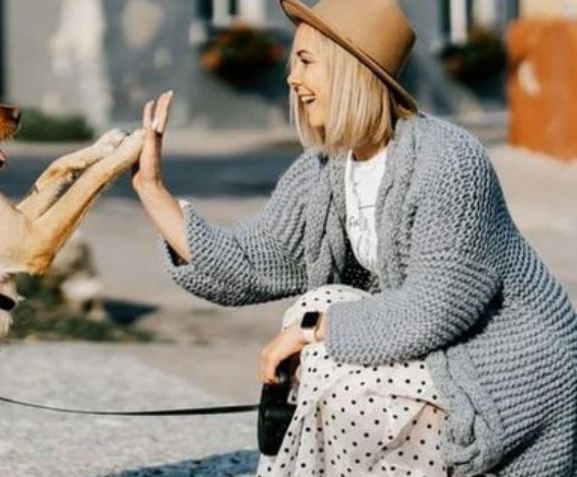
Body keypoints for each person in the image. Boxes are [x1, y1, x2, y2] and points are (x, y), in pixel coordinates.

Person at [131, 0, 577, 476]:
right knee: (316, 313)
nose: (291, 78)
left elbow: (434, 309)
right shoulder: (327, 169)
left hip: (504, 369)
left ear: (350, 68)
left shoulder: (449, 162)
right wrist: (153, 191)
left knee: (322, 354)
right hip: (435, 360)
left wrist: (310, 333)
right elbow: (249, 263)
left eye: (305, 61)